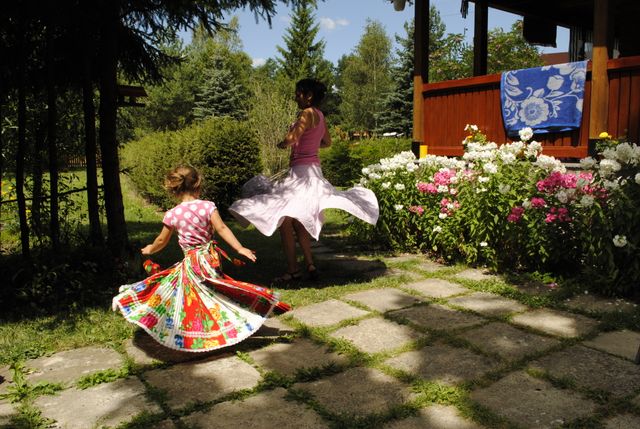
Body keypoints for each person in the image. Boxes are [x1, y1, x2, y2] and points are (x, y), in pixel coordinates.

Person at [113, 166, 290, 352]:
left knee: (195, 295)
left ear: (174, 189)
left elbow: (161, 240)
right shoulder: (208, 206)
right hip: (210, 259)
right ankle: (224, 322)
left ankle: (202, 330)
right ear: (197, 184)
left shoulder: (173, 214)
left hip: (192, 263)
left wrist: (151, 248)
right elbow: (222, 228)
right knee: (213, 292)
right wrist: (239, 248)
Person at [229, 78, 379, 282]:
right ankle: (309, 264)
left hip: (301, 175)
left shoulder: (306, 113)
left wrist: (283, 143)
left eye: (298, 94)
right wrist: (311, 146)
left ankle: (293, 270)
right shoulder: (320, 115)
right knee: (300, 221)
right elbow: (327, 142)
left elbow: (293, 138)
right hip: (313, 172)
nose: (295, 97)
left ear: (309, 96)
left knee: (285, 221)